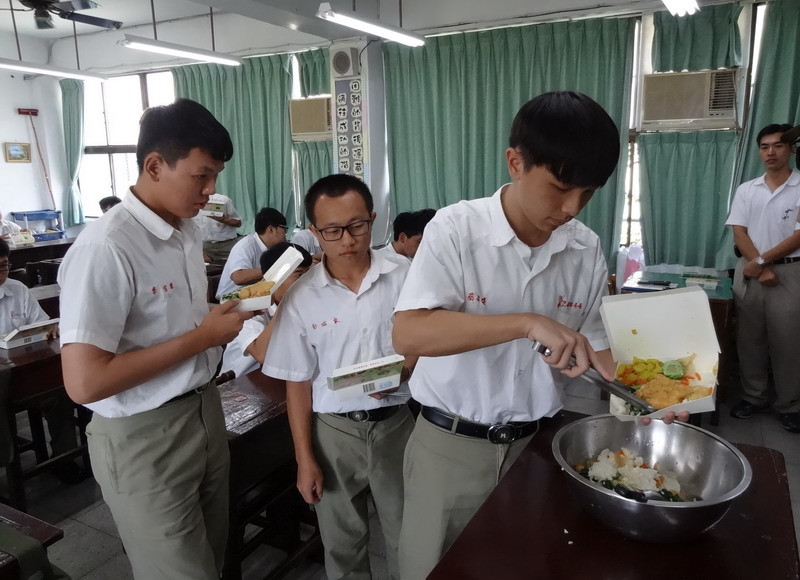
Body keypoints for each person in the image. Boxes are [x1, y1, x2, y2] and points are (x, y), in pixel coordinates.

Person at [391, 91, 687, 579]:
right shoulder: (456, 230)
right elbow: (410, 333)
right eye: (559, 188)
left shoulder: (585, 248)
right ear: (515, 163)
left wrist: (648, 392)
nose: (572, 208)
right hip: (450, 447)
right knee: (433, 568)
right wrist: (526, 321)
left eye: (588, 193)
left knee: (524, 566)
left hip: (538, 447)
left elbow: (594, 347)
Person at [57, 98, 252, 579]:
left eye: (216, 178)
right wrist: (202, 337)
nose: (211, 191)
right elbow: (84, 383)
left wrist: (220, 314)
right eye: (201, 176)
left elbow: (168, 320)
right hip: (145, 437)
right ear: (155, 165)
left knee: (216, 558)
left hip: (203, 412)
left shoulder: (184, 231)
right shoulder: (107, 246)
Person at [263, 174, 415, 580]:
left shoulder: (406, 277)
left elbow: (427, 343)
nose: (347, 239)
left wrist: (404, 369)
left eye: (357, 226)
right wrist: (304, 458)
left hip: (397, 427)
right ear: (314, 232)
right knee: (343, 543)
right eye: (331, 230)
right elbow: (297, 382)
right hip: (333, 433)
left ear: (373, 219)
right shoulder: (301, 297)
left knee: (408, 538)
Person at [726, 123, 800, 432]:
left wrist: (760, 261)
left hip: (789, 272)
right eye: (765, 146)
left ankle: (790, 405)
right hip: (751, 273)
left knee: (789, 341)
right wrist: (757, 265)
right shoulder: (747, 189)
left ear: (791, 149)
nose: (770, 152)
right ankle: (753, 397)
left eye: (778, 146)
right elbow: (738, 231)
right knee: (749, 340)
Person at [0, 239, 85, 485]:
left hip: (25, 372)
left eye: (4, 266)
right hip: (2, 378)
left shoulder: (18, 290)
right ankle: (7, 464)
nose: (1, 274)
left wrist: (50, 330)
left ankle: (62, 458)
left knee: (59, 394)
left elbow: (42, 324)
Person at [220, 241, 312, 378]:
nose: (306, 282)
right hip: (244, 384)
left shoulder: (305, 303)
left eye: (308, 274)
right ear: (273, 277)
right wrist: (287, 307)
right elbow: (261, 354)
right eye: (298, 275)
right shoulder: (248, 308)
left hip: (281, 374)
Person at [216, 207, 287, 300]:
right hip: (231, 301)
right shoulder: (245, 245)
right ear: (271, 229)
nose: (285, 235)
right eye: (284, 229)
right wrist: (274, 269)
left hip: (253, 298)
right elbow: (238, 277)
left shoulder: (272, 249)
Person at [193, 192, 243, 264]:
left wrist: (223, 220)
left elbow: (238, 223)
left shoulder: (223, 200)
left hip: (227, 246)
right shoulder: (190, 205)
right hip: (205, 247)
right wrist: (199, 253)